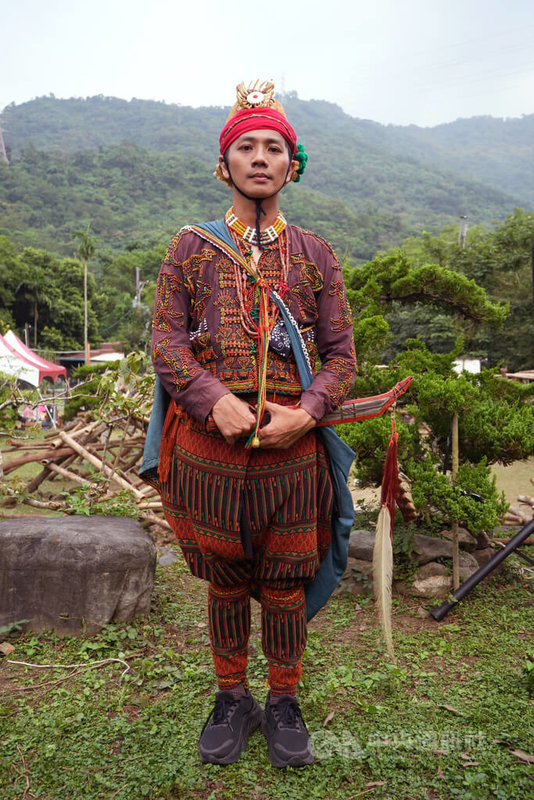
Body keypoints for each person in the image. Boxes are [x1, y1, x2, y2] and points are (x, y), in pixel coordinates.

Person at [149, 81, 357, 768]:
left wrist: (309, 411)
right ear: (225, 164)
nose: (261, 157)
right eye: (247, 146)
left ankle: (285, 699)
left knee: (286, 582)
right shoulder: (188, 250)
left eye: (274, 147)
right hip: (210, 446)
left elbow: (341, 354)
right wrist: (212, 399)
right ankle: (232, 695)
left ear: (292, 164)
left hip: (291, 454)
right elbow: (167, 343)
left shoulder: (317, 253)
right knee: (225, 579)